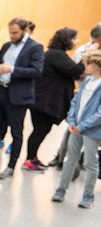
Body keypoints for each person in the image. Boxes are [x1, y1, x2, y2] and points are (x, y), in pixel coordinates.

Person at [0, 17, 46, 180]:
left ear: (25, 31)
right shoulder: (6, 46)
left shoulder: (35, 47)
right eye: (10, 32)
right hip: (0, 91)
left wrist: (12, 69)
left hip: (18, 95)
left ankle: (11, 166)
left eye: (15, 33)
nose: (12, 35)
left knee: (16, 131)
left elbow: (37, 71)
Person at [23, 27, 84, 171]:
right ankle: (29, 160)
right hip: (43, 101)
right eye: (74, 38)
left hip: (43, 101)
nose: (77, 41)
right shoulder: (57, 54)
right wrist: (85, 57)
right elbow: (74, 70)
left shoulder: (56, 54)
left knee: (41, 129)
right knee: (40, 130)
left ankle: (32, 157)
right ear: (66, 40)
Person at [52, 51, 101, 208]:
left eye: (88, 64)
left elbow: (100, 113)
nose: (85, 66)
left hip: (91, 131)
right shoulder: (86, 81)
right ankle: (61, 189)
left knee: (90, 162)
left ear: (97, 65)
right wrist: (72, 121)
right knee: (70, 159)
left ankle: (88, 195)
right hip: (76, 128)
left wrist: (82, 127)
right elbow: (75, 102)